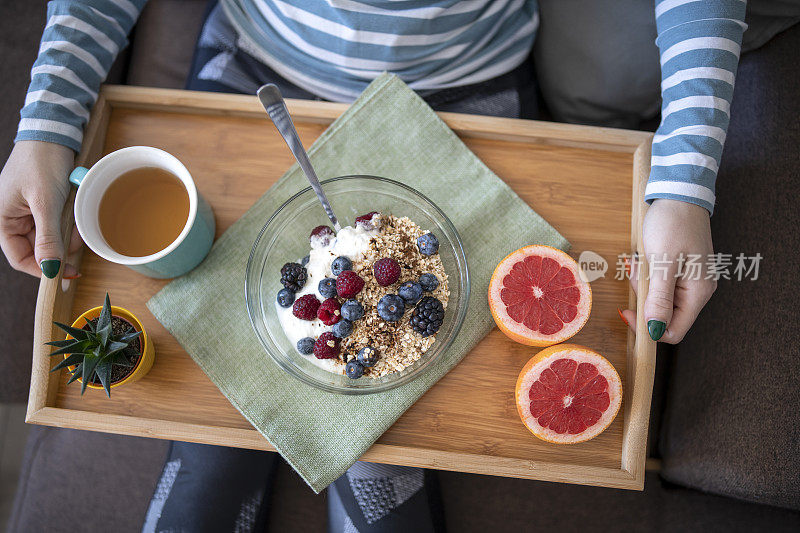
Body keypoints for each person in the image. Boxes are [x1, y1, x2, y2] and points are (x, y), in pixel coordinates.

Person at [0, 1, 750, 531]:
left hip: (468, 85)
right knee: (217, 431)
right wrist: (49, 119)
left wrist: (685, 184)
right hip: (254, 76)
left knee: (386, 436)